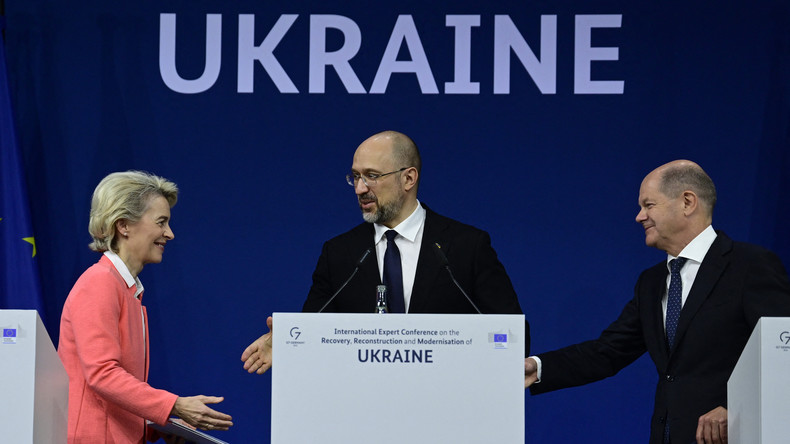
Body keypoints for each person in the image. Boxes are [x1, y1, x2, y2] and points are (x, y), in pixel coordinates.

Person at [524, 160, 790, 444]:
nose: (640, 217)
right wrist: (538, 367)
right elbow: (608, 351)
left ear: (687, 202)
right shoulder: (651, 282)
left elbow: (782, 352)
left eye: (648, 205)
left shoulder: (749, 266)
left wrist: (737, 407)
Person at [242, 130, 526, 374]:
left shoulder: (466, 246)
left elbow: (515, 336)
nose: (360, 189)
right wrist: (287, 343)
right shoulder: (340, 253)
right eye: (355, 177)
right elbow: (314, 333)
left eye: (372, 176)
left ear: (408, 178)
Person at [58, 171, 233, 444]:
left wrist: (163, 426)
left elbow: (118, 391)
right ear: (124, 225)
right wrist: (173, 405)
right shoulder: (99, 282)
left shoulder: (126, 289)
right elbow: (102, 374)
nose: (170, 234)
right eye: (161, 222)